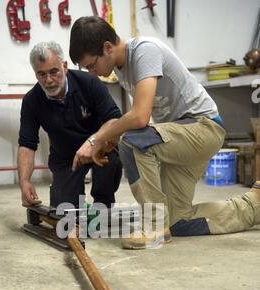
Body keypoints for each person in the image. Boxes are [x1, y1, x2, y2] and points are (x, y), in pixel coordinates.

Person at [69, 17, 260, 249]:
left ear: (107, 47)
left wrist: (97, 138)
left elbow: (139, 117)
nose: (91, 73)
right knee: (178, 220)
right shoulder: (121, 69)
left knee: (134, 142)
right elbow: (139, 121)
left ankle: (154, 226)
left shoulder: (144, 51)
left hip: (203, 128)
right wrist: (112, 139)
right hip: (178, 136)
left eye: (91, 65)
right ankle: (253, 205)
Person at [17, 40, 122, 211]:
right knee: (65, 211)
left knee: (111, 156)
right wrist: (24, 181)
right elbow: (27, 144)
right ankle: (74, 202)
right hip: (65, 158)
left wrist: (92, 142)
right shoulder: (31, 101)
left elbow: (115, 120)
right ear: (35, 74)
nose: (49, 80)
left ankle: (103, 203)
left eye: (54, 71)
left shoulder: (89, 83)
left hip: (99, 148)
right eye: (42, 74)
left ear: (64, 66)